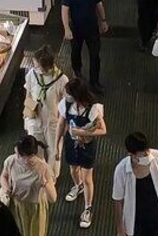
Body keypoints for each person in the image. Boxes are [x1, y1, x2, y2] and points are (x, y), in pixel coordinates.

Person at [55, 77, 107, 229]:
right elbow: (60, 123)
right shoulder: (66, 104)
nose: (66, 96)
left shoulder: (93, 108)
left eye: (69, 93)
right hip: (71, 143)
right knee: (72, 169)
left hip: (86, 145)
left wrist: (83, 131)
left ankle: (87, 208)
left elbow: (103, 130)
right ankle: (78, 186)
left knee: (87, 177)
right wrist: (57, 144)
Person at [113, 132, 158, 236]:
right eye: (143, 154)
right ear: (131, 154)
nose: (147, 155)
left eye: (147, 151)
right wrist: (120, 228)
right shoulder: (121, 170)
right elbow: (118, 200)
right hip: (137, 220)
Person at [61, 0, 109, 94]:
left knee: (95, 55)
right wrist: (66, 28)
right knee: (75, 51)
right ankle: (77, 73)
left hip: (92, 28)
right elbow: (65, 10)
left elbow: (99, 4)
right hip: (76, 28)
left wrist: (103, 20)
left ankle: (94, 82)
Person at [24, 46, 68, 177]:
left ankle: (51, 177)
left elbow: (66, 105)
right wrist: (26, 115)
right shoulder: (32, 74)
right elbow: (28, 93)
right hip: (35, 119)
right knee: (35, 148)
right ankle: (39, 175)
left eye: (37, 66)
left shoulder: (62, 80)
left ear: (47, 66)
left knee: (54, 149)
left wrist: (63, 126)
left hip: (53, 121)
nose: (35, 67)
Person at [0, 135, 57, 236]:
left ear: (31, 156)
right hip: (16, 205)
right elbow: (4, 176)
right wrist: (6, 188)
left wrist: (45, 183)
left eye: (19, 155)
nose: (16, 157)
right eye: (15, 153)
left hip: (35, 208)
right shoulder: (11, 161)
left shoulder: (43, 169)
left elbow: (53, 198)